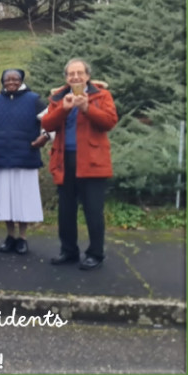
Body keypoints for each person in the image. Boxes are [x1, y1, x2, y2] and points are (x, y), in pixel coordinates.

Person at [42, 58, 118, 270]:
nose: (75, 77)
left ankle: (95, 253)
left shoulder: (102, 95)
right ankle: (68, 251)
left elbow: (110, 122)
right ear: (66, 77)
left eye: (79, 73)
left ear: (87, 76)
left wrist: (86, 107)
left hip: (92, 161)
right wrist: (63, 109)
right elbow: (47, 123)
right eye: (71, 74)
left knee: (93, 210)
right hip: (64, 160)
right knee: (66, 210)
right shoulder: (59, 97)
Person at [0, 69, 48, 255]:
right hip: (2, 155)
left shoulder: (33, 100)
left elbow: (49, 119)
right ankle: (10, 236)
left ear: (21, 80)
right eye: (7, 79)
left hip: (26, 155)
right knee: (5, 199)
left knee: (23, 199)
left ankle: (22, 238)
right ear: (2, 81)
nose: (11, 82)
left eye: (15, 79)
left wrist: (45, 136)